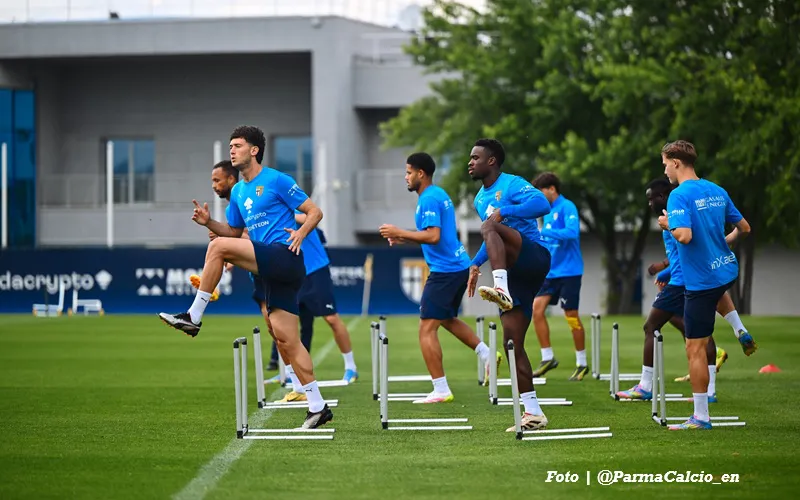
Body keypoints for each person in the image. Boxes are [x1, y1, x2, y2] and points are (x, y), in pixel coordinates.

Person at [159, 125, 333, 429]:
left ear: (254, 150)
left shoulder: (277, 179)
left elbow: (315, 211)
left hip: (285, 255)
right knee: (286, 339)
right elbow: (235, 234)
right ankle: (318, 406)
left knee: (218, 247)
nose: (232, 150)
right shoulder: (238, 191)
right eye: (230, 146)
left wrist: (301, 233)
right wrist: (208, 222)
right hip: (270, 267)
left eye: (237, 145)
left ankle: (194, 316)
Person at [378, 152, 498, 403]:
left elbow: (432, 236)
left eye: (409, 172)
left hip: (446, 270)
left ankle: (441, 389)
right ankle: (486, 353)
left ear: (421, 174)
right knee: (445, 319)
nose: (406, 177)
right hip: (455, 266)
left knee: (426, 328)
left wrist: (400, 231)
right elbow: (436, 237)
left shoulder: (429, 199)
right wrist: (402, 238)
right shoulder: (437, 194)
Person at [658, 140, 751, 430]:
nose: (664, 170)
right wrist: (723, 243)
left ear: (675, 162)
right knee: (717, 291)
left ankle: (700, 417)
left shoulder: (677, 196)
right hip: (724, 271)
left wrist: (666, 225)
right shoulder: (716, 190)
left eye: (664, 164)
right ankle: (739, 328)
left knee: (694, 348)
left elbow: (683, 235)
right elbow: (744, 228)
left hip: (699, 281)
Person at [465, 139, 553, 431]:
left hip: (534, 256)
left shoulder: (512, 183)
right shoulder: (479, 199)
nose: (470, 162)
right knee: (512, 343)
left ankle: (499, 287)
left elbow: (542, 203)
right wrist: (476, 264)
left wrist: (505, 210)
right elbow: (493, 238)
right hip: (517, 273)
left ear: (492, 161)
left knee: (489, 225)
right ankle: (534, 412)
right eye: (470, 157)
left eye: (476, 157)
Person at [616, 178, 726, 402]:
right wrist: (664, 270)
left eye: (651, 198)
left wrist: (667, 272)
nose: (649, 204)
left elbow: (687, 244)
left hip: (682, 282)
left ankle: (646, 386)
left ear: (663, 196)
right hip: (688, 279)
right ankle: (711, 390)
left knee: (651, 326)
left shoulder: (673, 216)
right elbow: (680, 253)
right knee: (698, 332)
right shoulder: (674, 214)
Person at [265, 211, 359, 388]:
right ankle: (290, 372)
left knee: (331, 318)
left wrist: (282, 214)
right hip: (294, 274)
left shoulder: (296, 212)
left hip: (316, 271)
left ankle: (351, 367)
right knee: (291, 325)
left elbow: (311, 219)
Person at [529, 172, 588, 381]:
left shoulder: (567, 207)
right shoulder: (547, 211)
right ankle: (548, 357)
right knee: (536, 309)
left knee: (570, 315)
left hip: (569, 272)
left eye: (541, 192)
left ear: (552, 189)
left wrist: (544, 232)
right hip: (551, 272)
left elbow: (572, 233)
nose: (539, 197)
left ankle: (582, 362)